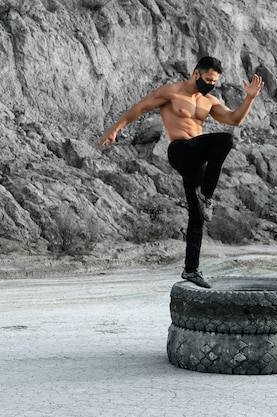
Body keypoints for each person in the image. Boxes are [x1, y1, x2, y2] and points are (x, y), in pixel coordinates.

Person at [99, 57, 264, 288]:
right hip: (179, 150)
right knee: (224, 140)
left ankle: (191, 270)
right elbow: (141, 107)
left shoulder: (209, 101)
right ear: (196, 74)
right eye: (208, 79)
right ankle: (206, 196)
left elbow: (234, 119)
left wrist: (250, 98)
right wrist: (114, 129)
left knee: (197, 216)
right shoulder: (172, 92)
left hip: (195, 157)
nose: (211, 85)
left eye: (214, 82)